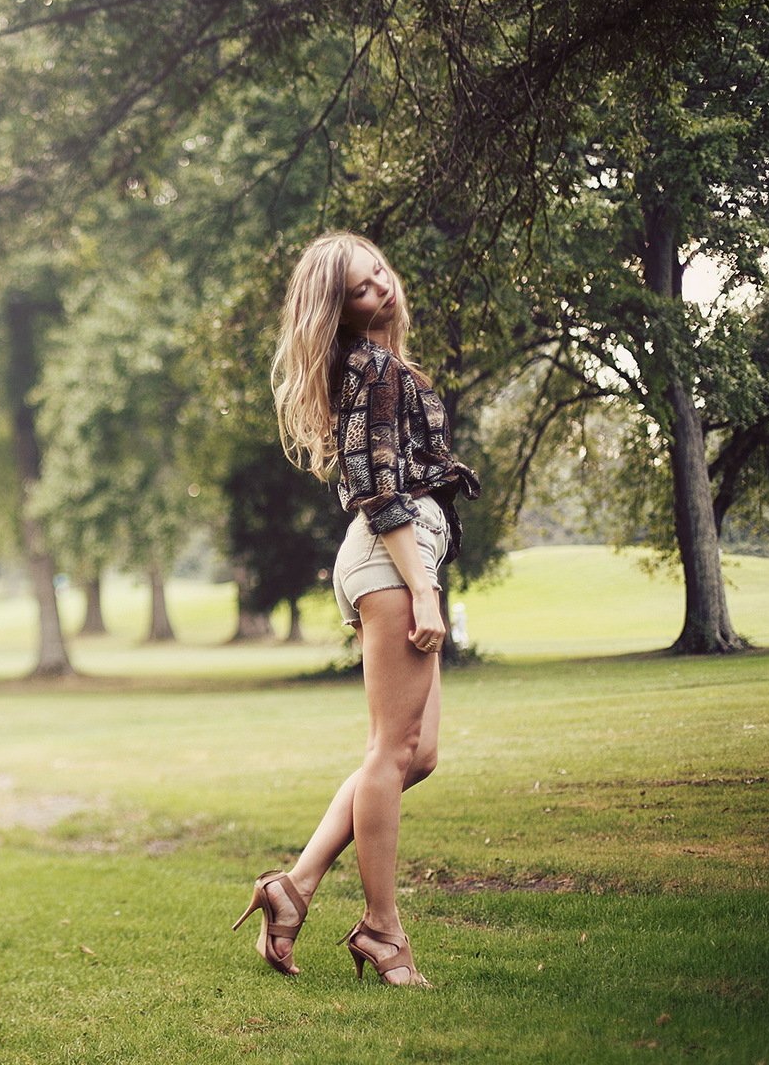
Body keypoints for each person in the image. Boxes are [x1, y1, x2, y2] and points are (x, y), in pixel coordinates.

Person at [233, 230, 482, 987]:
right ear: (338, 310)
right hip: (391, 561)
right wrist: (426, 589)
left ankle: (295, 886)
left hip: (403, 559)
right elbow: (376, 488)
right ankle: (382, 930)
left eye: (377, 269)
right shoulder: (370, 367)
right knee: (389, 751)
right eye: (359, 287)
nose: (380, 283)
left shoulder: (382, 362)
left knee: (416, 754)